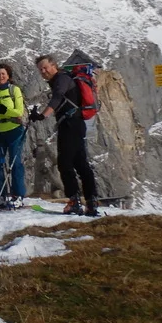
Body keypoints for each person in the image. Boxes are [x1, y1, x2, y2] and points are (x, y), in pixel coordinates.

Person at [29, 54, 98, 216]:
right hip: (76, 124)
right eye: (40, 70)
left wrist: (42, 115)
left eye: (45, 67)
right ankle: (91, 201)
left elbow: (58, 97)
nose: (43, 71)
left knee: (65, 163)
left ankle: (74, 201)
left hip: (70, 125)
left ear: (54, 65)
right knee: (81, 164)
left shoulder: (62, 78)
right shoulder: (62, 79)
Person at [0, 63, 26, 209]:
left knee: (15, 163)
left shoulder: (15, 90)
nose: (0, 76)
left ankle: (18, 195)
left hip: (15, 130)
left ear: (8, 76)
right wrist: (3, 112)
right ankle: (0, 194)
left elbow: (18, 112)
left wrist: (2, 110)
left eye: (3, 74)